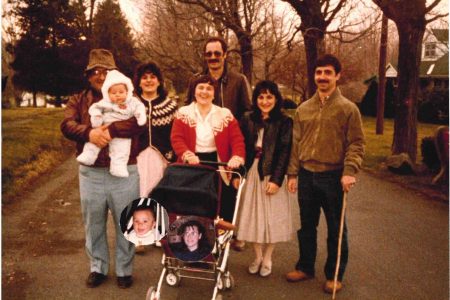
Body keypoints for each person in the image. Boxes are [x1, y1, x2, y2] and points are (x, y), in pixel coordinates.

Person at [61, 49, 144, 289]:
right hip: (92, 173)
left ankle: (124, 269)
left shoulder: (129, 96)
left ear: (114, 73)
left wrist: (111, 130)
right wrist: (89, 133)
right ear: (88, 75)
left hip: (125, 171)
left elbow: (138, 123)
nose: (100, 76)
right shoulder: (78, 99)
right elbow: (67, 124)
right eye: (95, 71)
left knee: (125, 221)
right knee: (93, 222)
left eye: (105, 71)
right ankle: (97, 266)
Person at [285, 54, 365, 294]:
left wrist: (350, 171)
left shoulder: (348, 109)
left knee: (336, 229)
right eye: (319, 72)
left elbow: (356, 144)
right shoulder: (303, 109)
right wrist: (292, 174)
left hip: (333, 177)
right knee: (307, 226)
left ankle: (334, 274)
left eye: (328, 72)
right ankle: (305, 267)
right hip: (307, 176)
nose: (322, 77)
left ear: (337, 76)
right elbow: (296, 144)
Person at [236, 80, 298, 277]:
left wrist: (277, 180)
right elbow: (240, 145)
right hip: (251, 171)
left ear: (276, 99)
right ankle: (257, 256)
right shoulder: (247, 118)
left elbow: (284, 151)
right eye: (261, 97)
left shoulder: (284, 121)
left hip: (270, 173)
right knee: (252, 216)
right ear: (255, 99)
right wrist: (238, 173)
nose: (265, 101)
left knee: (271, 218)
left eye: (269, 97)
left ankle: (268, 256)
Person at [171, 75, 245, 222]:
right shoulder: (183, 113)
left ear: (214, 93)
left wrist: (237, 156)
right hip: (192, 162)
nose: (204, 92)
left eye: (209, 88)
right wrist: (187, 154)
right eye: (201, 88)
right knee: (190, 204)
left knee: (219, 204)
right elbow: (176, 138)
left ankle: (217, 239)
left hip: (217, 163)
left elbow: (237, 139)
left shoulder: (225, 114)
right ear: (194, 91)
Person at [77, 70, 146, 177]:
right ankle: (88, 155)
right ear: (108, 93)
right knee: (93, 143)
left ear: (127, 92)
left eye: (121, 92)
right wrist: (96, 117)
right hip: (102, 128)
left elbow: (140, 109)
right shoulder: (104, 102)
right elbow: (95, 108)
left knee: (122, 149)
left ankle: (118, 167)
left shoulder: (133, 101)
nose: (118, 95)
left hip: (122, 133)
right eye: (114, 93)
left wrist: (140, 116)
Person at [133, 62, 178, 197]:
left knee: (159, 197)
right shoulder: (131, 106)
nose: (148, 81)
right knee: (137, 196)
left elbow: (176, 136)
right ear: (138, 83)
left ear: (159, 81)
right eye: (144, 77)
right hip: (136, 159)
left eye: (152, 77)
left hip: (162, 160)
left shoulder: (170, 106)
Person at [186, 36, 252, 122]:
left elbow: (247, 113)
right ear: (205, 56)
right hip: (201, 133)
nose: (213, 57)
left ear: (225, 55)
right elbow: (187, 110)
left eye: (217, 53)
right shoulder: (195, 80)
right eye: (209, 54)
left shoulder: (239, 80)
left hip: (230, 133)